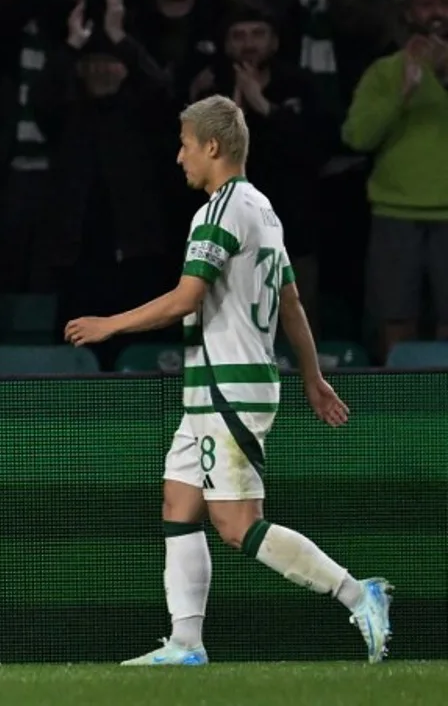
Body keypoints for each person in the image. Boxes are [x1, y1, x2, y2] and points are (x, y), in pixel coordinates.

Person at [64, 95, 393, 665]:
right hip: (217, 389)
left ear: (212, 146)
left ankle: (356, 592)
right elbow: (290, 300)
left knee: (238, 526)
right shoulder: (263, 209)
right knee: (178, 503)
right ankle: (186, 644)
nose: (179, 157)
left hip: (227, 388)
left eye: (186, 144)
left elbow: (188, 297)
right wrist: (311, 377)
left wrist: (109, 324)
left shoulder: (218, 213)